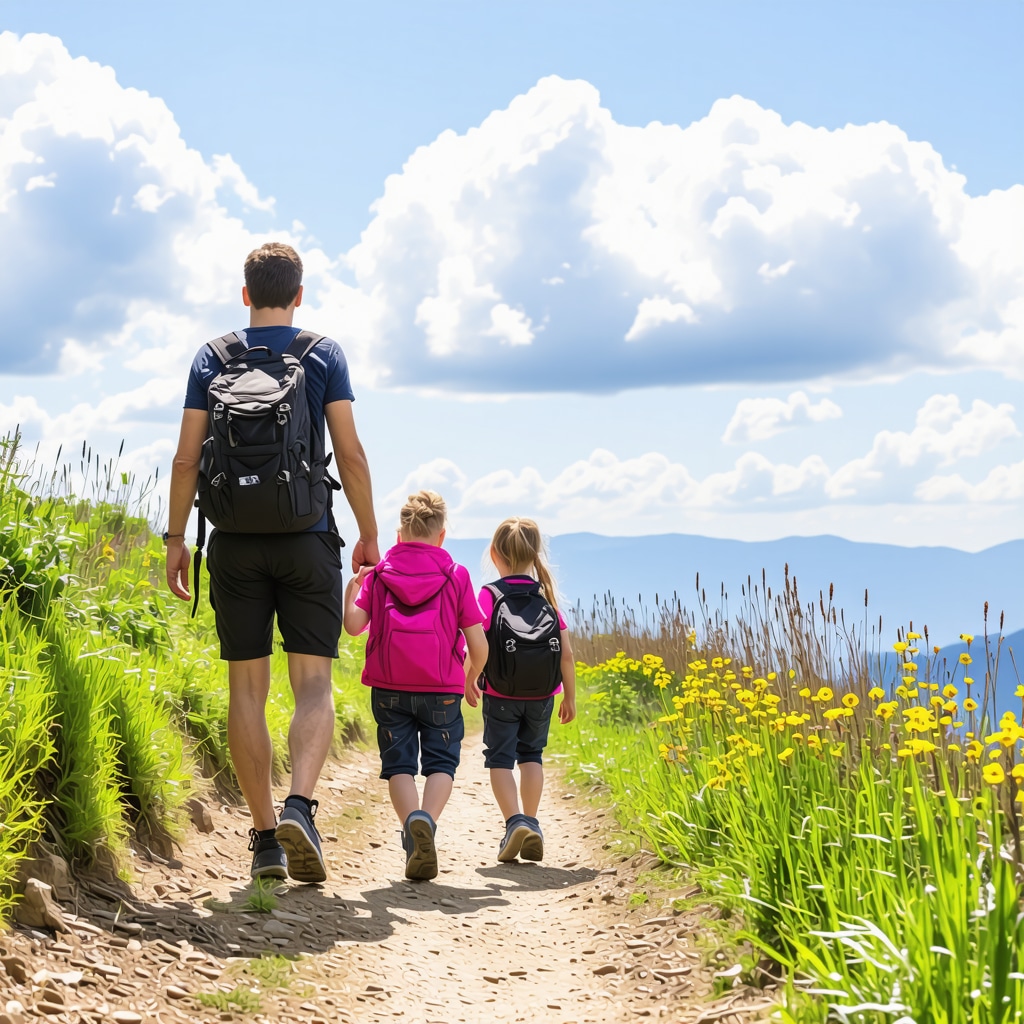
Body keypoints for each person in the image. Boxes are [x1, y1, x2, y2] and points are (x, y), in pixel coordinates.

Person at [165, 242, 379, 884]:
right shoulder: (322, 354)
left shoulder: (212, 356)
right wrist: (369, 534)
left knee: (246, 689)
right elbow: (350, 453)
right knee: (313, 683)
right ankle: (300, 807)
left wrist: (175, 539)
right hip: (308, 534)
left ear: (245, 293)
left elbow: (184, 459)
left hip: (231, 539)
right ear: (299, 295)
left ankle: (263, 842)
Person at [343, 491, 487, 880]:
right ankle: (426, 819)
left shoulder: (380, 574)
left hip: (389, 687)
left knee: (399, 765)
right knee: (441, 763)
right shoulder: (456, 574)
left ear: (400, 534)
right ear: (441, 535)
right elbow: (479, 644)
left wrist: (351, 590)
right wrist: (471, 677)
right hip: (441, 688)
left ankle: (410, 826)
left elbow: (354, 626)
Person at [468, 517, 576, 862]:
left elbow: (477, 644)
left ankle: (514, 822)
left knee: (499, 759)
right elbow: (568, 655)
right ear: (534, 556)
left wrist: (469, 677)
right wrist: (569, 696)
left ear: (494, 554)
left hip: (501, 695)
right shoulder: (547, 598)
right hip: (543, 696)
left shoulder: (489, 595)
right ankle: (531, 821)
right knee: (532, 757)